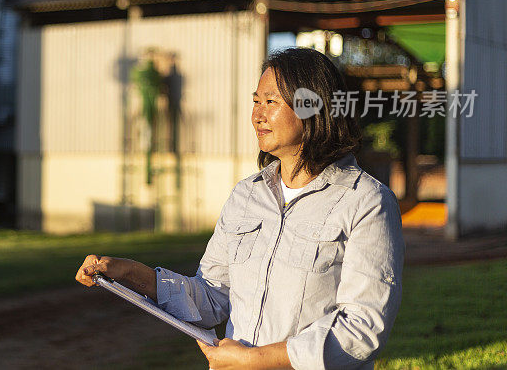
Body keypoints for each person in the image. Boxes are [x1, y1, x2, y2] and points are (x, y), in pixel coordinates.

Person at [75, 47, 405, 370]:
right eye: (256, 101)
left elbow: (362, 330)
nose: (257, 115)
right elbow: (211, 297)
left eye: (271, 102)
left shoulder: (367, 202)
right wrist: (130, 274)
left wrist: (254, 361)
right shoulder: (247, 196)